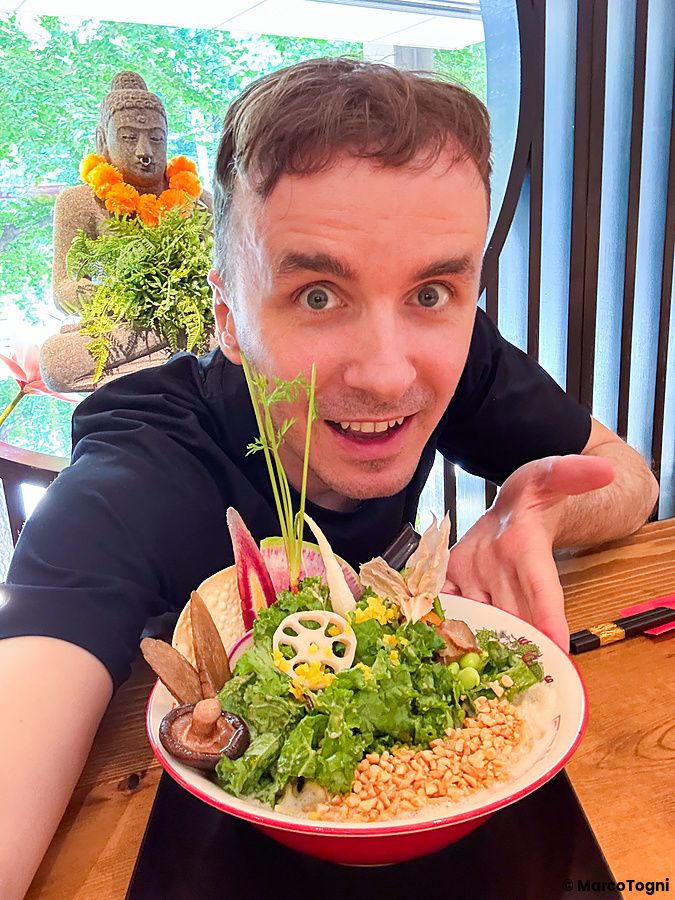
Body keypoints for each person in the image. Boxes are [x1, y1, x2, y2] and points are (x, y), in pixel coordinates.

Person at [0, 57, 657, 897]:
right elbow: (33, 678)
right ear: (229, 317)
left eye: (431, 290)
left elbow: (624, 474)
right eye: (317, 295)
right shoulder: (145, 465)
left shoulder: (458, 353)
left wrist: (539, 521)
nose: (388, 377)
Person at [40, 70, 212, 393]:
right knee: (55, 360)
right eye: (130, 138)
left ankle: (162, 367)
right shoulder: (79, 201)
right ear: (102, 141)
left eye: (156, 139)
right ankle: (182, 365)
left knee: (230, 333)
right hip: (126, 326)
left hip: (192, 321)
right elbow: (62, 289)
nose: (145, 152)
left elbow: (227, 280)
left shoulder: (198, 202)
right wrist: (109, 298)